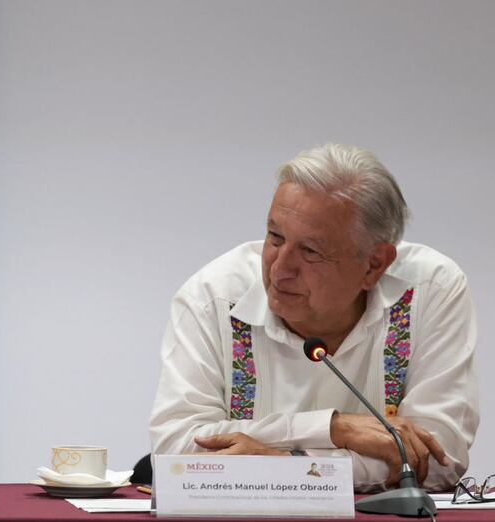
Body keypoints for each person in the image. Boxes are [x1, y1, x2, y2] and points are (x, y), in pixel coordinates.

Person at [149, 144, 478, 492]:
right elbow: (175, 452)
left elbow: (439, 457)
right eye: (275, 237)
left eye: (310, 251)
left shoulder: (430, 289)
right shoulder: (212, 297)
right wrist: (332, 428)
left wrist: (287, 468)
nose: (280, 268)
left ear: (374, 264)